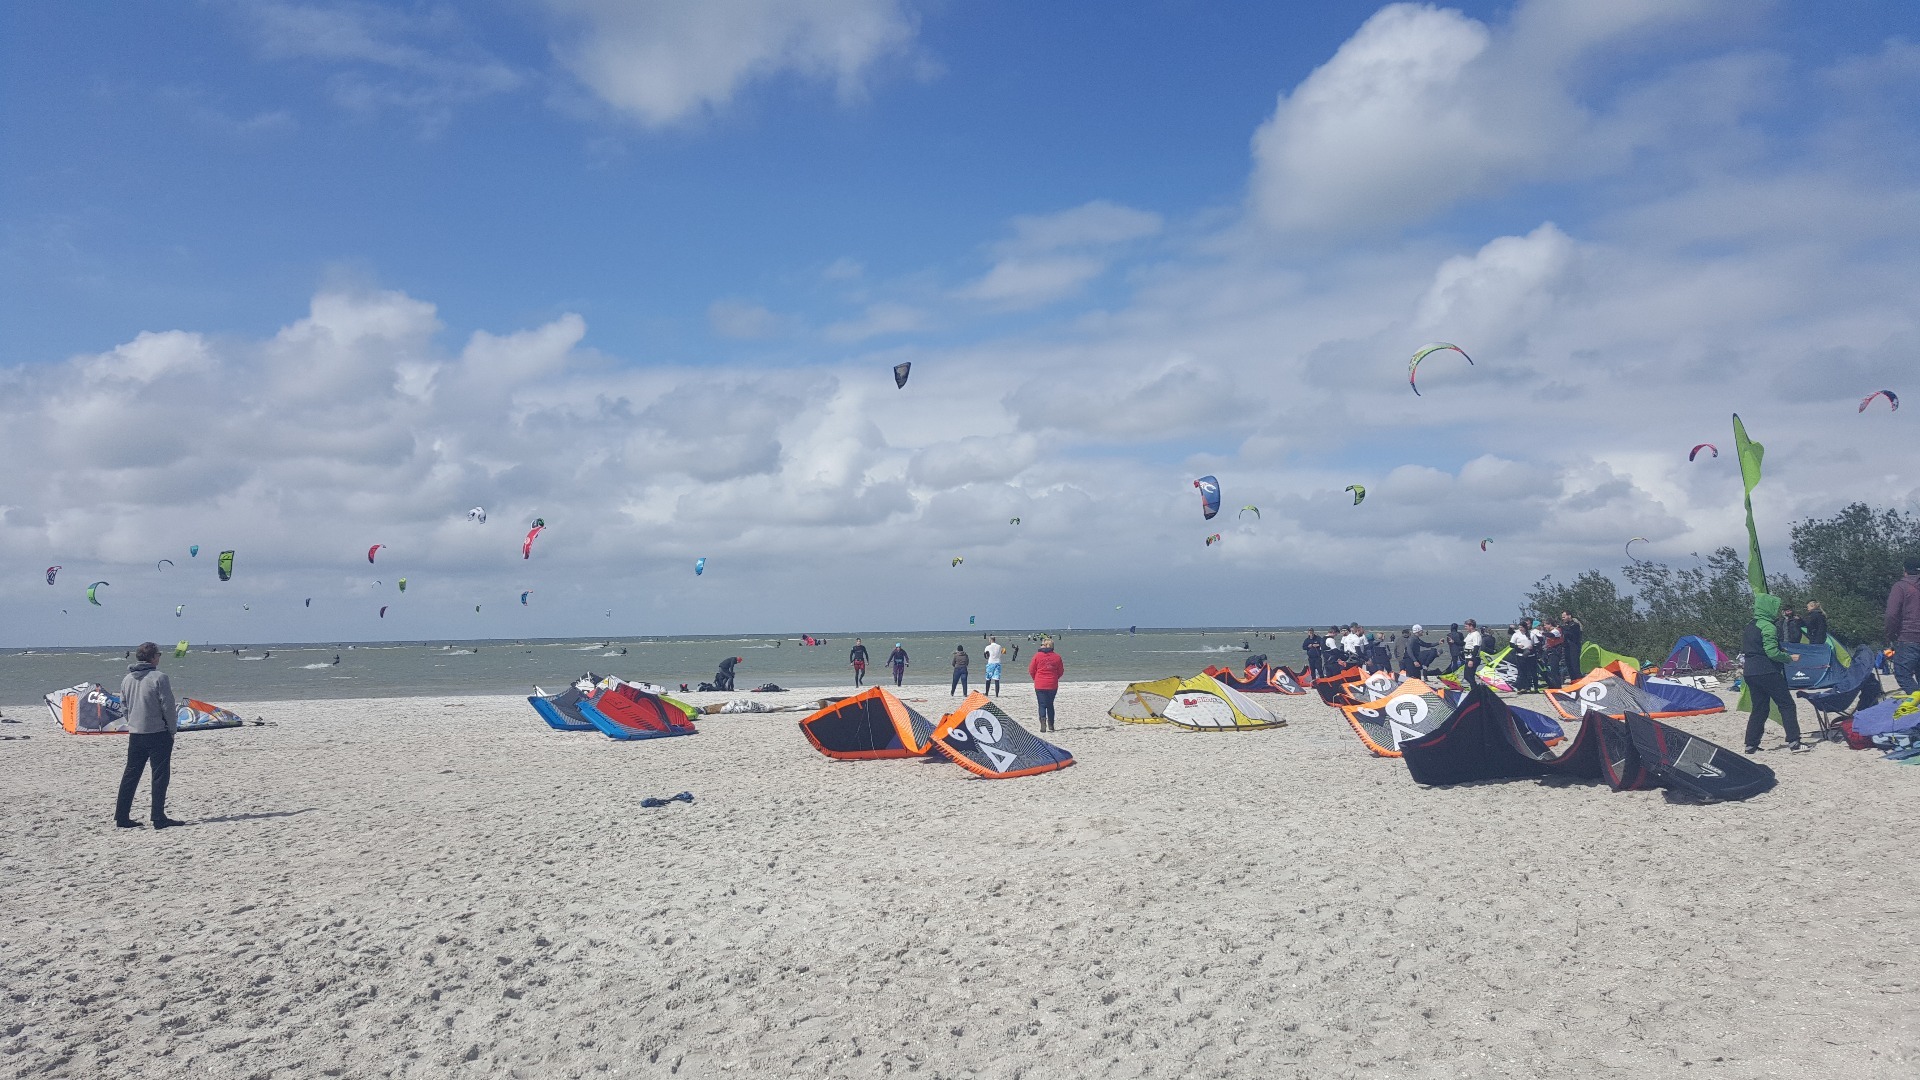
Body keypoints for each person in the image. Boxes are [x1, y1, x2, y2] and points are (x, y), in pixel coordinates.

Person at [116, 642, 183, 829]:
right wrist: (172, 729)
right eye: (158, 654)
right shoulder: (159, 677)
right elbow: (168, 706)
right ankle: (158, 817)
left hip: (136, 732)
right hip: (157, 732)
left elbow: (124, 706)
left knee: (131, 774)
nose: (159, 658)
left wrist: (133, 722)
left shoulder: (127, 679)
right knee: (160, 775)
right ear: (153, 657)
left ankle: (121, 817)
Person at [1744, 593, 1806, 753]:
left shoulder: (1750, 625)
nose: (1777, 611)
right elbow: (1771, 653)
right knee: (1786, 704)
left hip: (1750, 671)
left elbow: (1756, 647)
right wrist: (1788, 657)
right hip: (1767, 670)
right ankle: (1794, 742)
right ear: (1769, 608)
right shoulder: (1768, 626)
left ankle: (1751, 745)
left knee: (1760, 708)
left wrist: (1779, 649)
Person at [1888, 557, 1920, 692]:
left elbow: (1891, 614)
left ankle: (1917, 702)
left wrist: (1891, 635)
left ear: (1905, 570)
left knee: (1902, 673)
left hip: (1908, 636)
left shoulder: (1900, 587)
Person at [1029, 637, 1064, 733]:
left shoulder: (1037, 656)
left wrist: (1035, 679)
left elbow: (1031, 670)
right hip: (1052, 684)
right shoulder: (1057, 657)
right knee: (1050, 704)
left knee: (1042, 704)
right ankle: (1051, 724)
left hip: (1040, 683)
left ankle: (1043, 721)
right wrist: (1055, 678)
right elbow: (1061, 671)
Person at [1510, 622, 1538, 693]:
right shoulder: (1516, 634)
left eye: (1521, 627)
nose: (1520, 629)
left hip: (1530, 655)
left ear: (1525, 627)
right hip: (1520, 655)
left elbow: (1537, 644)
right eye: (1519, 627)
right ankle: (1521, 687)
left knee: (1531, 672)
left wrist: (1532, 647)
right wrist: (1517, 646)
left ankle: (1531, 687)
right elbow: (1511, 644)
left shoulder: (1531, 634)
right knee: (1521, 672)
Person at [1559, 611, 1584, 677]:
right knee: (1569, 665)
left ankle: (1578, 679)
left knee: (1574, 665)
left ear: (1569, 616)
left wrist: (1562, 628)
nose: (1563, 619)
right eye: (1562, 617)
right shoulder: (1565, 626)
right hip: (1567, 647)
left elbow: (1571, 633)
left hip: (1574, 647)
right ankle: (1573, 680)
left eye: (1564, 617)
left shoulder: (1575, 625)